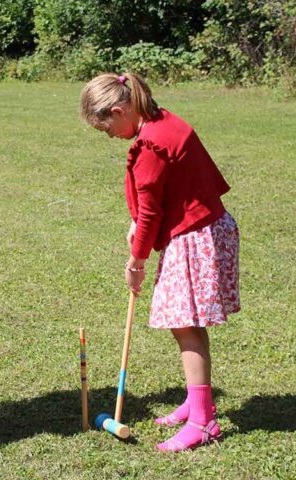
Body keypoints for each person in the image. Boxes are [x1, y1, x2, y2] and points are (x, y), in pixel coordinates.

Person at [80, 73, 240, 452]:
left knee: (185, 324)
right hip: (204, 227)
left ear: (120, 111)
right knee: (185, 323)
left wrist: (136, 262)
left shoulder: (152, 144)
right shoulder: (161, 118)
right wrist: (138, 221)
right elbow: (168, 190)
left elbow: (152, 211)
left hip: (195, 237)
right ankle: (196, 400)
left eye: (107, 128)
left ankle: (204, 422)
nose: (110, 135)